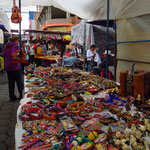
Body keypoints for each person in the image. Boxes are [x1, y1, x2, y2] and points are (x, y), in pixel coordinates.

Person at [4, 35, 22, 101]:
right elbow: (13, 55)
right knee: (19, 81)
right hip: (14, 67)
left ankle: (11, 96)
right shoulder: (14, 46)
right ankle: (21, 95)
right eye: (17, 41)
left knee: (11, 82)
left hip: (7, 67)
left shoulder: (6, 46)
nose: (18, 42)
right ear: (15, 41)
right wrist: (19, 57)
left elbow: (4, 55)